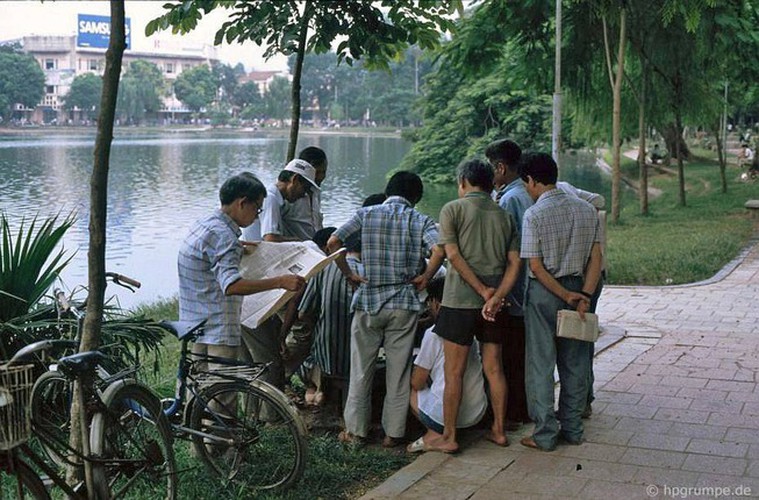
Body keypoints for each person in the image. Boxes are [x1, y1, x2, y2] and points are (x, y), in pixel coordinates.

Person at [415, 158, 520, 454]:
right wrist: (496, 295)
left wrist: (480, 289)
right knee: (494, 369)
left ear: (463, 182)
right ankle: (498, 430)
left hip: (460, 301)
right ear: (490, 183)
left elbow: (451, 254)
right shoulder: (504, 216)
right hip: (494, 306)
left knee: (454, 372)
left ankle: (449, 436)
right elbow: (515, 263)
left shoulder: (453, 209)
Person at [327, 171, 438, 447]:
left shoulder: (366, 214)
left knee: (361, 369)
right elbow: (441, 248)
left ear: (388, 191)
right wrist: (426, 277)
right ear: (415, 197)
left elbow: (333, 243)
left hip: (368, 301)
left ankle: (355, 432)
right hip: (403, 302)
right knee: (398, 372)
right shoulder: (420, 219)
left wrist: (349, 274)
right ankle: (393, 434)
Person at [177, 172, 305, 380]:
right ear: (242, 203)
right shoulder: (225, 236)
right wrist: (280, 281)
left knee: (199, 384)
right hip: (218, 326)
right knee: (221, 394)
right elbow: (232, 286)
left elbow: (209, 256)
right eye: (257, 208)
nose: (257, 215)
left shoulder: (207, 223)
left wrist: (238, 247)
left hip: (196, 320)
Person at [519, 153, 603, 451]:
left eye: (526, 183)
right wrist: (584, 296)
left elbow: (536, 267)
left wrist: (564, 294)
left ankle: (544, 434)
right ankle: (573, 429)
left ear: (531, 180)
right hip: (580, 289)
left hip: (545, 294)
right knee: (575, 361)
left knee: (541, 364)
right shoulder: (586, 210)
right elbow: (596, 258)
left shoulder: (534, 215)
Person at [407, 277, 487, 453]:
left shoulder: (433, 333)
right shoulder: (471, 327)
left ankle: (434, 431)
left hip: (446, 416)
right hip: (477, 413)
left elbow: (417, 383)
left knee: (410, 389)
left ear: (436, 302)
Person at [485, 139, 531, 428]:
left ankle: (514, 412)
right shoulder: (525, 191)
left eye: (492, 168)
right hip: (524, 289)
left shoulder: (510, 199)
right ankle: (521, 409)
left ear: (501, 167)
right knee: (521, 355)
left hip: (514, 292)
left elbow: (511, 251)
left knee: (511, 356)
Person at [296, 232, 362, 409]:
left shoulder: (324, 268)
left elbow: (303, 313)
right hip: (355, 358)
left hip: (325, 354)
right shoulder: (371, 272)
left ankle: (315, 387)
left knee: (307, 349)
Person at [241, 158, 320, 242]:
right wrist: (299, 242)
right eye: (305, 188)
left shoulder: (278, 198)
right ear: (295, 180)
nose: (304, 195)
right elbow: (270, 239)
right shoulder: (271, 198)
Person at [281, 146, 329, 240]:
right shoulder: (289, 196)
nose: (321, 177)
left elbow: (317, 224)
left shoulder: (316, 193)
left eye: (324, 172)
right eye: (317, 172)